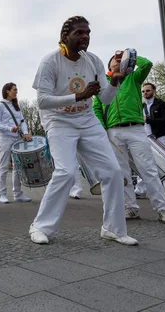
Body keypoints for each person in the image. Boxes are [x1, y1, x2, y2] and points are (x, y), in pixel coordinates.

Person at [29, 16, 137, 246]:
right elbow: (42, 101)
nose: (85, 37)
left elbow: (106, 98)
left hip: (87, 120)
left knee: (112, 172)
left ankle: (113, 229)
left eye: (87, 33)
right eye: (79, 33)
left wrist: (116, 81)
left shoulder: (93, 61)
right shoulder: (50, 61)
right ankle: (40, 226)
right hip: (59, 121)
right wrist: (79, 96)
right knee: (66, 173)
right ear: (65, 36)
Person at [94, 55, 165, 224]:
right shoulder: (103, 82)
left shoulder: (133, 77)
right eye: (115, 60)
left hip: (136, 129)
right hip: (113, 131)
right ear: (109, 65)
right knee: (122, 173)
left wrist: (130, 55)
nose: (118, 61)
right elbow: (96, 107)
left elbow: (147, 64)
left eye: (120, 59)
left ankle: (162, 209)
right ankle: (130, 207)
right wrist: (102, 129)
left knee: (148, 169)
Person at [0, 82, 33, 203]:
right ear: (7, 91)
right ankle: (2, 194)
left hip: (17, 139)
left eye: (16, 90)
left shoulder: (17, 106)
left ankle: (18, 193)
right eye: (14, 89)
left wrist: (25, 132)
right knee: (4, 166)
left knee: (17, 167)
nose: (16, 91)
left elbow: (23, 121)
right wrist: (10, 128)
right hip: (5, 138)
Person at [141, 82, 165, 200]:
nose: (145, 93)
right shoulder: (142, 106)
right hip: (146, 138)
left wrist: (149, 120)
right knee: (144, 164)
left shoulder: (161, 104)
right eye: (144, 91)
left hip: (160, 137)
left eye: (148, 90)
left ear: (154, 91)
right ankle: (141, 190)